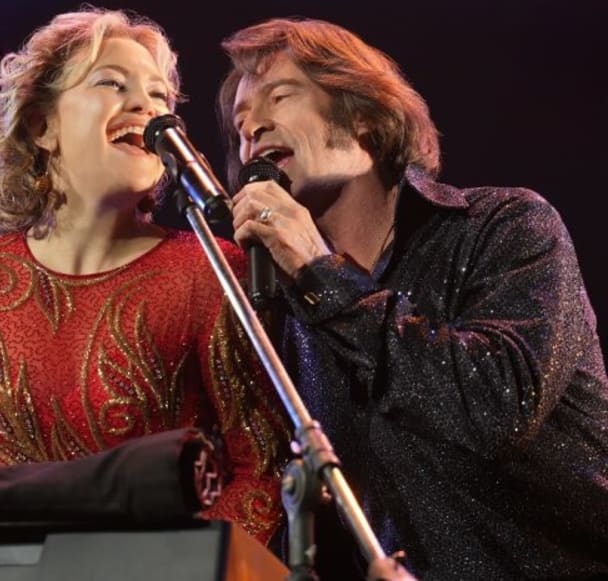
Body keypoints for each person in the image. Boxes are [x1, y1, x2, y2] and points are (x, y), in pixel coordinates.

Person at [218, 17, 608, 579]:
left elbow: (494, 409)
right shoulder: (294, 313)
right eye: (240, 124)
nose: (253, 128)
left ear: (365, 118)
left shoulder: (506, 226)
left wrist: (321, 272)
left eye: (280, 96)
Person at [0, 7, 292, 544]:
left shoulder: (211, 270)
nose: (147, 106)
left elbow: (263, 470)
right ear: (42, 126)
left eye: (160, 96)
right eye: (112, 83)